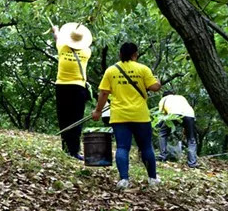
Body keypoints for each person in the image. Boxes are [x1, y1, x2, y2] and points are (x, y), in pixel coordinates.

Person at [92, 42, 162, 189]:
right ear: (135, 54)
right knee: (146, 147)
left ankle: (124, 179)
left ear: (120, 54)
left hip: (119, 116)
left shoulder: (111, 71)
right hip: (140, 116)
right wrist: (158, 83)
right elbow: (154, 87)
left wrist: (98, 111)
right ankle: (152, 178)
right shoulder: (143, 69)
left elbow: (104, 93)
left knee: (122, 148)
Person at [52, 22, 93, 160]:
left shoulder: (61, 48)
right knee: (76, 119)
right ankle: (74, 151)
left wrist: (56, 30)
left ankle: (65, 147)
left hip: (62, 87)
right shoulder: (87, 52)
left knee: (63, 118)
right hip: (78, 88)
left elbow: (57, 38)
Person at [157, 90, 198, 168]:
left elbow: (161, 117)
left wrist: (159, 127)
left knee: (162, 133)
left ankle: (163, 156)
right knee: (191, 138)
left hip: (173, 114)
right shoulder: (181, 97)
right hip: (190, 115)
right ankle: (192, 163)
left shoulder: (164, 99)